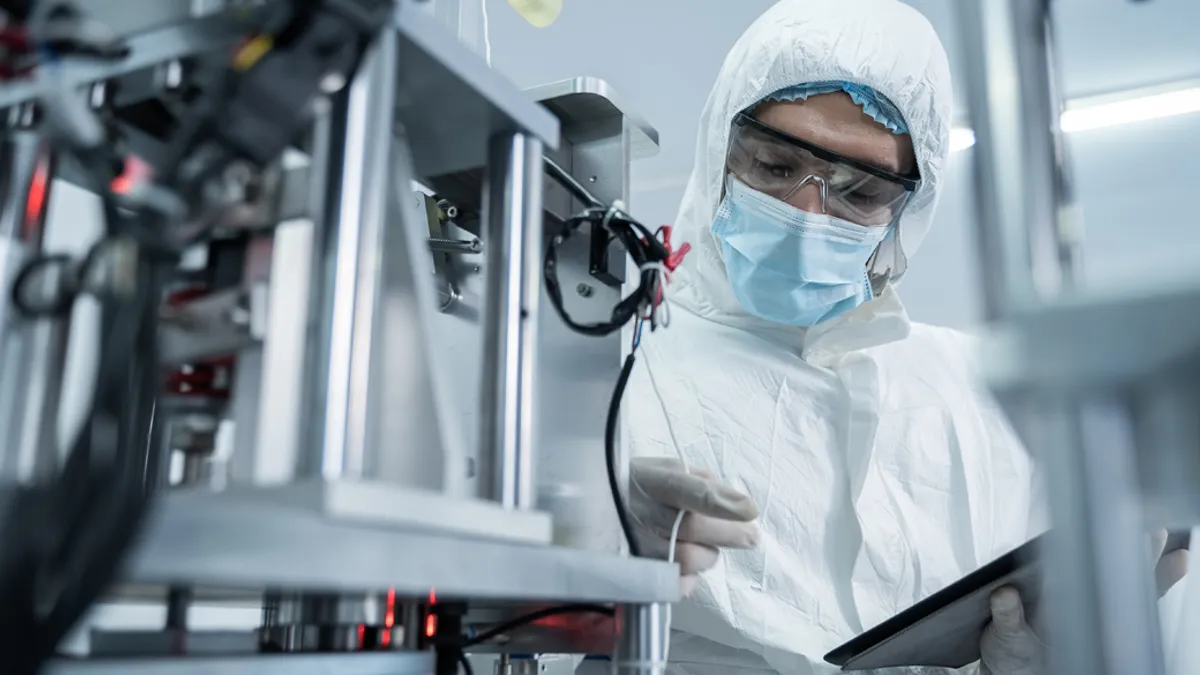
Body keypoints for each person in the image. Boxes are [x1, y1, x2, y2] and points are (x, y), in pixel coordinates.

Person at [619, 0, 1188, 673]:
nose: (807, 213)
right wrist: (592, 541)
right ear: (719, 150)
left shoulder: (983, 388)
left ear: (905, 214)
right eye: (774, 166)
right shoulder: (614, 370)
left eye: (858, 193)